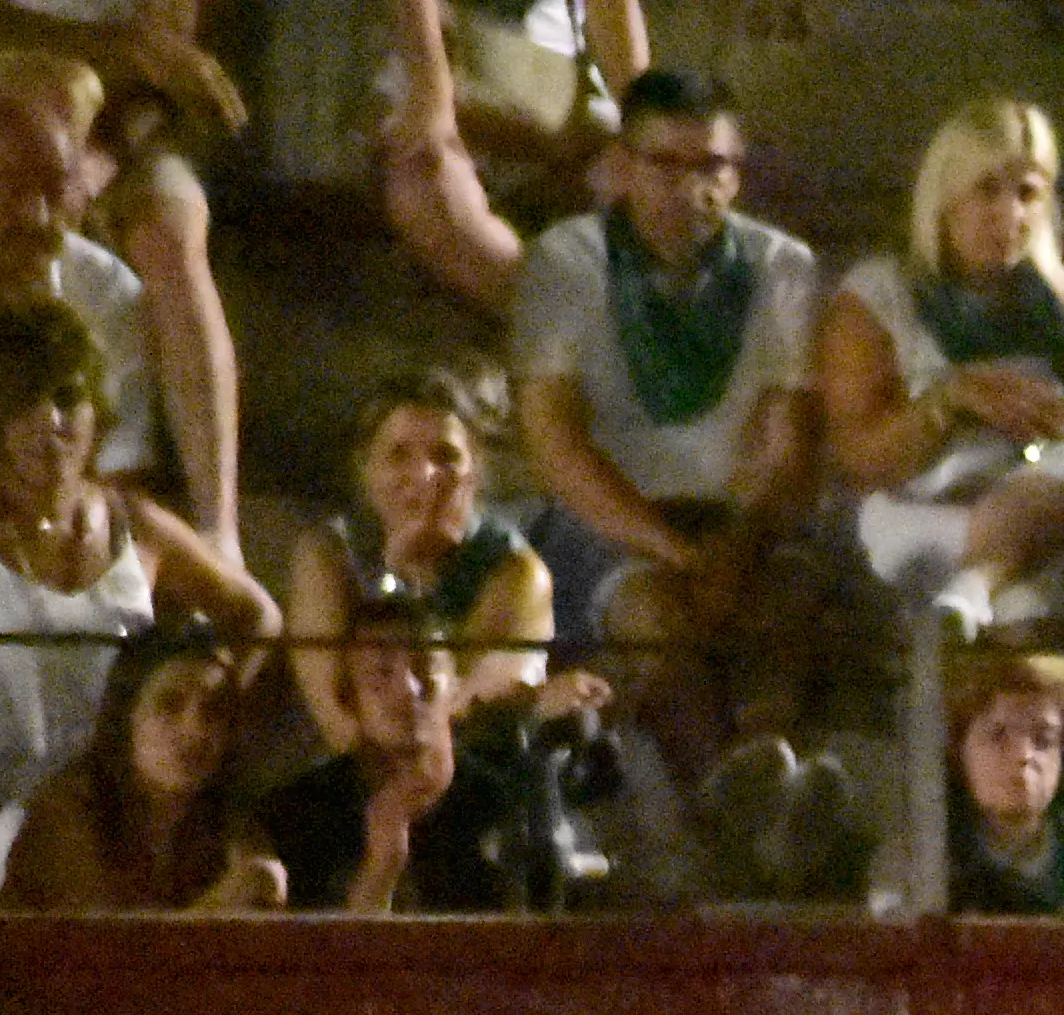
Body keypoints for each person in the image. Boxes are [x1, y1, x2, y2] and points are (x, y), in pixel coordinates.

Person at [507, 66, 831, 783]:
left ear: (738, 174)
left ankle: (770, 773)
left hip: (736, 519)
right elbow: (558, 450)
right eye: (665, 165)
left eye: (712, 166)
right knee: (653, 613)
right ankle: (735, 801)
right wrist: (681, 556)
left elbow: (789, 445)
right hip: (610, 522)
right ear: (622, 166)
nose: (691, 189)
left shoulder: (784, 268)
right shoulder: (566, 261)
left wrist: (736, 546)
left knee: (786, 593)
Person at [0, 296, 261, 907]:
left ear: (98, 409)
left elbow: (255, 615)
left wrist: (203, 705)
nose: (50, 421)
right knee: (72, 846)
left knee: (256, 868)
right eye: (24, 402)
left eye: (68, 398)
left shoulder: (140, 530)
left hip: (122, 816)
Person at [810, 94, 1064, 643]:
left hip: (1048, 509)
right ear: (944, 196)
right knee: (1024, 601)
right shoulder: (878, 298)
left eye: (1027, 193)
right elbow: (858, 460)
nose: (1010, 215)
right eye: (988, 190)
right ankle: (980, 600)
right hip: (923, 514)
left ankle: (975, 593)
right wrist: (947, 405)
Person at [0, 57, 167, 508]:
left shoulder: (108, 292)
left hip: (54, 537)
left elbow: (120, 472)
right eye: (12, 187)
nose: (37, 215)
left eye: (53, 189)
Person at [272, 375, 567, 742]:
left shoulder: (516, 574)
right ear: (368, 472)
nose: (425, 476)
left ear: (474, 470)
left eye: (446, 456)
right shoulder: (328, 556)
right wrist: (395, 577)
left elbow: (448, 718)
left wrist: (408, 583)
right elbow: (338, 716)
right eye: (398, 455)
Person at [373, 0, 651, 317]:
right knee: (428, 189)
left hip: (561, 103)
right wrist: (432, 102)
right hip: (442, 85)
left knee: (654, 185)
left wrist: (641, 129)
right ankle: (559, 322)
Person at [246, 599, 516, 916]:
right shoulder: (299, 815)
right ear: (351, 698)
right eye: (382, 672)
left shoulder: (499, 804)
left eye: (423, 666)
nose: (409, 688)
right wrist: (381, 868)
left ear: (455, 685)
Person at [0, 603, 255, 907]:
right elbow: (120, 948)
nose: (195, 729)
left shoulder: (224, 815)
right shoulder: (69, 816)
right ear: (126, 716)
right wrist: (225, 902)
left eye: (214, 710)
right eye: (169, 705)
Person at [920, 631, 1064, 921]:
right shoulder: (918, 861)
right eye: (998, 736)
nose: (1023, 755)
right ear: (959, 749)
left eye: (1043, 739)